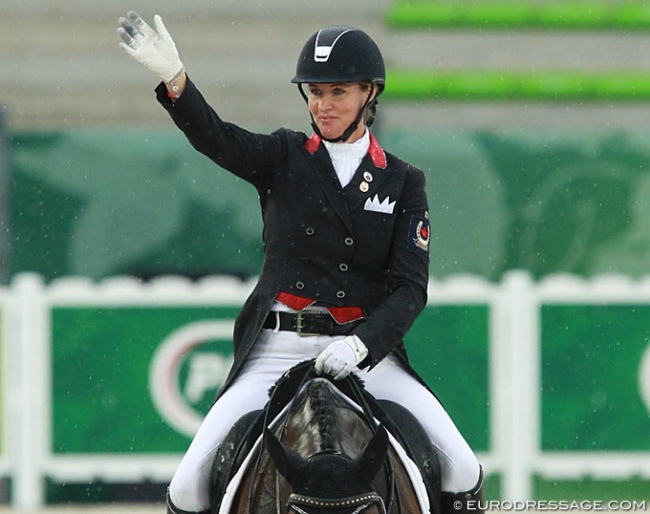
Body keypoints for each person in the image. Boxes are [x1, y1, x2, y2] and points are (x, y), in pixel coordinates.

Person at [117, 11, 484, 514]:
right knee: (185, 488)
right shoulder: (284, 156)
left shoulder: (402, 182)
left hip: (364, 355)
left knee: (463, 469)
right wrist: (175, 80)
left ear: (369, 95)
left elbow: (409, 290)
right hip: (276, 351)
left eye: (338, 92)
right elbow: (217, 139)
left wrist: (361, 345)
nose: (323, 104)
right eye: (315, 92)